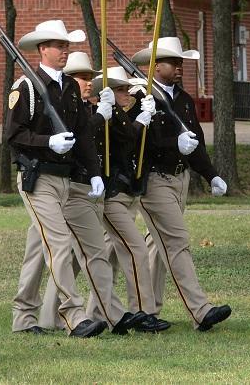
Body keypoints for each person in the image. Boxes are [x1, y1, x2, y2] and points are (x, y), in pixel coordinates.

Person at [7, 29, 144, 338]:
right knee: (57, 245)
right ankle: (72, 314)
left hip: (70, 180)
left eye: (66, 45)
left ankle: (112, 313)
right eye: (58, 45)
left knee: (95, 247)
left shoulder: (68, 87)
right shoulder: (27, 86)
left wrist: (95, 172)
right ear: (42, 49)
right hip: (38, 178)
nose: (64, 50)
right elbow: (13, 135)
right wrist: (47, 141)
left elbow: (82, 135)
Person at [132, 36, 231, 331]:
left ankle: (145, 311)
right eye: (172, 62)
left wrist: (210, 174)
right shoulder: (141, 97)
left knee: (156, 246)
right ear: (154, 65)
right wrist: (171, 143)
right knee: (176, 242)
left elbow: (195, 143)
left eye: (180, 62)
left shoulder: (184, 99)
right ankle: (200, 310)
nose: (179, 67)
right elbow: (136, 142)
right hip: (153, 180)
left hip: (180, 179)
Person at [87, 67, 169, 333]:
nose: (127, 93)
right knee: (136, 248)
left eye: (126, 88)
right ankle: (142, 311)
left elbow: (134, 139)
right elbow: (123, 137)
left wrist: (143, 115)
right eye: (121, 89)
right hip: (107, 195)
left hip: (123, 192)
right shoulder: (101, 116)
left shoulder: (120, 115)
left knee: (107, 256)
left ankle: (96, 313)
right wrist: (134, 118)